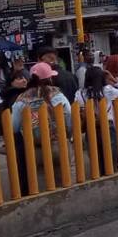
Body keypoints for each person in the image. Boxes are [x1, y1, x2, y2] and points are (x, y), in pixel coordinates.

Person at [11, 62, 72, 192]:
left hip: (36, 149)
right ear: (50, 78)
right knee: (66, 183)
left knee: (43, 187)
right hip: (59, 144)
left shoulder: (22, 99)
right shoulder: (57, 94)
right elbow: (69, 116)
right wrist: (69, 134)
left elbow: (14, 127)